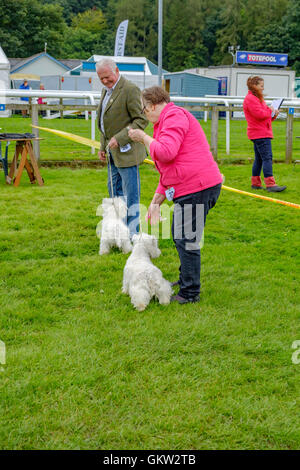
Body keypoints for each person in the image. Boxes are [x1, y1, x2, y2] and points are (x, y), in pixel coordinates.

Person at [128, 86, 223, 305]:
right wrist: (155, 202)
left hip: (198, 187)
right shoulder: (165, 122)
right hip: (189, 187)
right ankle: (186, 281)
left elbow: (165, 152)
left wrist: (143, 138)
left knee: (186, 239)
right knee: (181, 237)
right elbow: (169, 170)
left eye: (144, 110)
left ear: (152, 106)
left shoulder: (174, 117)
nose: (145, 115)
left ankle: (190, 292)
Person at [96, 58, 148, 238]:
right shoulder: (106, 90)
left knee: (130, 195)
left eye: (107, 77)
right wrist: (103, 146)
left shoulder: (130, 89)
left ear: (116, 71)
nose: (104, 81)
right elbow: (105, 122)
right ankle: (118, 231)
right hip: (112, 153)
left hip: (128, 153)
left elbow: (141, 120)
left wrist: (120, 138)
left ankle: (133, 234)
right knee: (114, 194)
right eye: (101, 78)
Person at [243, 76, 286, 192]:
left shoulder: (255, 98)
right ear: (254, 86)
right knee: (267, 158)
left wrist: (274, 113)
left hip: (259, 132)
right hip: (260, 134)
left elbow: (265, 117)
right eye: (261, 86)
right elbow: (260, 115)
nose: (263, 88)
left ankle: (255, 183)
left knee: (260, 159)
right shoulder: (251, 99)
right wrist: (270, 110)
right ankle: (270, 184)